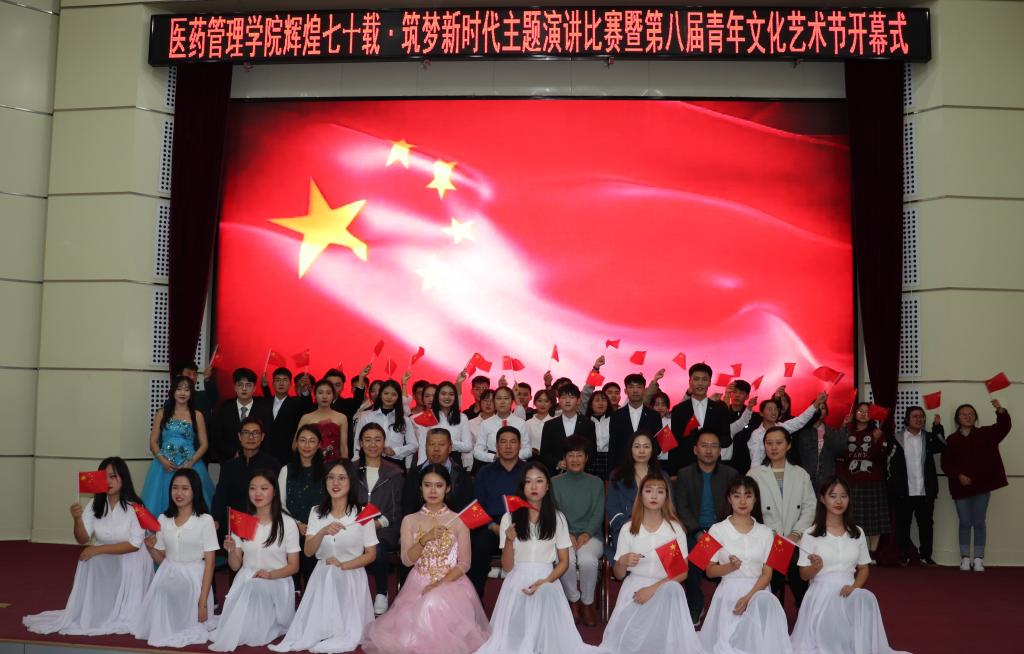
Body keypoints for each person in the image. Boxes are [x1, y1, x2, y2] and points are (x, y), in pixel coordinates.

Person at [361, 465, 491, 654]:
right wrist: (424, 539)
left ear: (447, 488)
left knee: (432, 603)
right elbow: (406, 560)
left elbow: (464, 563)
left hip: (450, 582)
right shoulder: (410, 520)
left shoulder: (458, 520)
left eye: (439, 485)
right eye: (427, 485)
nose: (433, 491)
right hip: (418, 582)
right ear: (420, 488)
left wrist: (439, 584)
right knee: (406, 638)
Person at [475, 462, 596, 654]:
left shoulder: (557, 517)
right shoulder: (509, 518)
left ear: (547, 486)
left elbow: (564, 561)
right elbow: (507, 567)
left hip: (547, 579)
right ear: (522, 486)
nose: (533, 486)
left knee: (548, 623)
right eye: (528, 481)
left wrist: (546, 581)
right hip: (517, 579)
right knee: (510, 644)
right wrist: (509, 540)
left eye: (539, 481)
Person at [24, 457, 153, 635]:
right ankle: (97, 607)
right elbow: (82, 539)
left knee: (93, 553)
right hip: (107, 554)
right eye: (104, 477)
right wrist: (77, 519)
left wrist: (97, 549)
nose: (108, 481)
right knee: (88, 558)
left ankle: (120, 607)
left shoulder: (135, 506)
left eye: (113, 476)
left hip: (130, 556)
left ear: (123, 478)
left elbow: (134, 545)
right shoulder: (95, 504)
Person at [792, 476, 910, 654]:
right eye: (833, 496)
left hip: (849, 592)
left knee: (866, 602)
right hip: (821, 596)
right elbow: (803, 575)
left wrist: (855, 588)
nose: (839, 501)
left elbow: (863, 568)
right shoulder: (810, 534)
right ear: (822, 499)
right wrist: (815, 567)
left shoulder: (857, 532)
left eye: (844, 496)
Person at [270, 459, 377, 654]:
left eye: (342, 478)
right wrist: (322, 532)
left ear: (351, 482)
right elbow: (309, 551)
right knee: (310, 632)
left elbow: (370, 555)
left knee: (348, 633)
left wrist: (343, 565)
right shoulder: (316, 512)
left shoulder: (363, 514)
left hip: (351, 577)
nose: (335, 483)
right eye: (331, 478)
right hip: (323, 576)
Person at [602, 474, 702, 654]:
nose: (654, 496)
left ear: (666, 497)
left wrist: (652, 589)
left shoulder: (674, 529)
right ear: (641, 496)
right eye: (649, 491)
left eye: (660, 492)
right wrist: (622, 562)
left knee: (674, 588)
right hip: (635, 588)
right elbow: (618, 575)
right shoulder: (628, 528)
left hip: (663, 588)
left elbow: (681, 573)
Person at [209, 469, 300, 651]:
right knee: (251, 587)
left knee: (256, 589)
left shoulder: (287, 523)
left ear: (274, 491)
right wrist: (232, 550)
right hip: (247, 579)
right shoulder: (242, 521)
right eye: (252, 488)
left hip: (277, 579)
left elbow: (294, 566)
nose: (257, 493)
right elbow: (235, 565)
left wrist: (270, 575)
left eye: (264, 488)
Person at [699, 476, 792, 654]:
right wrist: (730, 567)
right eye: (737, 496)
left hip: (759, 593)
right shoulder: (715, 529)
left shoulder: (767, 532)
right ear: (729, 498)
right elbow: (709, 572)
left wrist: (749, 598)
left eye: (748, 496)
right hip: (728, 593)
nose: (742, 501)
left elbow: (767, 574)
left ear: (755, 499)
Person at [133, 469, 218, 647]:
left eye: (185, 488)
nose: (179, 493)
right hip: (168, 572)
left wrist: (202, 602)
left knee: (167, 594)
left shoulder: (205, 520)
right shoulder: (163, 519)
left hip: (194, 577)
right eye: (175, 488)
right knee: (162, 591)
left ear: (195, 491)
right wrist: (151, 548)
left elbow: (210, 564)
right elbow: (161, 559)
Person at [674, 429, 739, 625]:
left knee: (732, 555)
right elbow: (682, 508)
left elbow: (735, 506)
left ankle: (727, 604)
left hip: (724, 531)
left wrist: (720, 532)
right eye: (704, 446)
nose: (709, 451)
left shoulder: (731, 474)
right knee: (691, 558)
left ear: (720, 451)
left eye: (713, 446)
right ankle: (695, 605)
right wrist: (697, 532)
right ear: (695, 450)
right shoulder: (684, 474)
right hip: (695, 531)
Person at [748, 426, 817, 608]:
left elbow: (810, 507)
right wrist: (769, 534)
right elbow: (750, 510)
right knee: (773, 573)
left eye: (779, 443)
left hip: (797, 538)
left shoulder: (801, 474)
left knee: (799, 570)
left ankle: (805, 612)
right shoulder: (754, 474)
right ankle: (768, 611)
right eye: (769, 443)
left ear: (788, 445)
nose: (774, 447)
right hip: (768, 539)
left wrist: (795, 533)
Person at [941, 399, 1011, 572]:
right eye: (964, 414)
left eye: (971, 414)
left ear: (975, 417)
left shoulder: (986, 434)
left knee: (979, 522)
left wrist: (1000, 410)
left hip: (982, 487)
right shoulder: (952, 439)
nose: (968, 417)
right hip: (960, 488)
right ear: (957, 418)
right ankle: (965, 558)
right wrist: (958, 475)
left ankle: (979, 558)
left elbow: (1004, 427)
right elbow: (946, 464)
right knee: (964, 522)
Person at [140, 375, 215, 517]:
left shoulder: (197, 415)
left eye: (187, 389)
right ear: (173, 391)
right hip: (163, 466)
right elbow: (153, 442)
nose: (182, 393)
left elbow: (204, 444)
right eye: (179, 389)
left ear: (191, 393)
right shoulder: (162, 413)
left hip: (190, 465)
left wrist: (191, 462)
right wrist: (162, 460)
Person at [552, 436, 606, 625]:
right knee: (564, 560)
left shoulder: (596, 483)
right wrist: (567, 535)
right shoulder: (554, 482)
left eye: (579, 455)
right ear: (564, 459)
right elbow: (554, 513)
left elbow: (598, 512)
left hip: (591, 536)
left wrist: (586, 533)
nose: (575, 459)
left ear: (586, 458)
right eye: (570, 455)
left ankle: (587, 603)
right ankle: (573, 599)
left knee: (588, 560)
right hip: (563, 535)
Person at [468, 426, 527, 598]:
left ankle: (527, 599)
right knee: (477, 546)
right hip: (492, 527)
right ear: (496, 446)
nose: (508, 446)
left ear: (520, 445)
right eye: (503, 442)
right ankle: (475, 600)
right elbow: (476, 507)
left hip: (522, 527)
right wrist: (493, 526)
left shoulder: (529, 471)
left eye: (513, 442)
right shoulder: (485, 473)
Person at [888, 406, 946, 567]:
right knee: (902, 525)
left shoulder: (929, 438)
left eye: (921, 416)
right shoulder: (896, 438)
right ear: (907, 419)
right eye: (915, 416)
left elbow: (942, 445)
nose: (919, 419)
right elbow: (888, 461)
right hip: (903, 491)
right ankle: (903, 555)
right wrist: (894, 485)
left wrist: (938, 428)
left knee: (926, 525)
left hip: (925, 491)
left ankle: (926, 556)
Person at [667, 363, 751, 474]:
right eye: (696, 379)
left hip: (714, 467)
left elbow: (726, 438)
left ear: (710, 382)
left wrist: (712, 443)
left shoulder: (720, 409)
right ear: (690, 381)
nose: (700, 383)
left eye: (704, 379)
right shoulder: (679, 410)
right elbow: (674, 443)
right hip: (686, 467)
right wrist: (673, 472)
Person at [356, 422, 404, 615]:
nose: (372, 444)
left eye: (377, 440)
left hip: (384, 527)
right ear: (360, 443)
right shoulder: (351, 470)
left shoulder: (394, 473)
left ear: (384, 442)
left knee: (377, 545)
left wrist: (376, 523)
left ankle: (382, 592)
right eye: (367, 440)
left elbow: (397, 508)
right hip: (354, 525)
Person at [211, 417, 280, 537]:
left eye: (255, 433)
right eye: (246, 433)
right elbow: (220, 495)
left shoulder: (272, 465)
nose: (251, 437)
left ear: (262, 437)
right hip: (233, 524)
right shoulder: (229, 466)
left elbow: (277, 497)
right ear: (239, 436)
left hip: (263, 524)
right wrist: (215, 518)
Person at [837, 403, 889, 556]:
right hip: (851, 482)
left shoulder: (877, 432)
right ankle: (854, 552)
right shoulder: (846, 431)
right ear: (854, 413)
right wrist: (842, 428)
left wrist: (876, 441)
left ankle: (872, 553)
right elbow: (839, 453)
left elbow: (881, 457)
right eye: (860, 411)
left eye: (867, 412)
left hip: (873, 481)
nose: (864, 414)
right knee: (852, 519)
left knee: (875, 519)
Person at [607, 431, 670, 555]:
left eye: (646, 447)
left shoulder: (662, 476)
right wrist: (635, 525)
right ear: (630, 450)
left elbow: (669, 508)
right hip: (626, 531)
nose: (641, 451)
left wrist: (650, 527)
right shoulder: (617, 475)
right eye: (637, 446)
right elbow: (612, 510)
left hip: (656, 531)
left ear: (652, 450)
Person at [278, 424, 325, 585]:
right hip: (291, 527)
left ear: (319, 445)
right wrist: (297, 524)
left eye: (312, 441)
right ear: (296, 443)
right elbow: (280, 504)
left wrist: (313, 527)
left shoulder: (327, 471)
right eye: (303, 440)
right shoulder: (286, 470)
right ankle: (294, 589)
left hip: (318, 529)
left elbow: (329, 503)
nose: (307, 445)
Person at [742, 392, 826, 474]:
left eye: (776, 409)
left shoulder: (782, 427)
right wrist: (755, 478)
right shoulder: (756, 434)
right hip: (765, 473)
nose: (774, 412)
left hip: (784, 471)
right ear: (761, 413)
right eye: (770, 409)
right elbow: (755, 460)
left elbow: (801, 420)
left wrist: (816, 403)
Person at [403, 427, 475, 516]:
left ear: (450, 448)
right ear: (425, 447)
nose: (436, 449)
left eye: (441, 444)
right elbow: (407, 508)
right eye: (432, 444)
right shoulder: (414, 474)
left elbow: (466, 510)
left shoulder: (462, 476)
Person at [208, 368, 272, 462]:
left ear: (254, 388)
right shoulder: (224, 409)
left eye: (248, 385)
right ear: (235, 387)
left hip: (258, 461)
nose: (244, 388)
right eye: (240, 385)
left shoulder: (264, 411)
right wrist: (233, 453)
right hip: (230, 460)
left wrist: (254, 455)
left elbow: (268, 438)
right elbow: (217, 438)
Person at [608, 373, 663, 472]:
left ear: (644, 390)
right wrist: (611, 472)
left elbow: (658, 444)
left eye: (639, 387)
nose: (635, 390)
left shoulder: (654, 416)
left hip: (648, 467)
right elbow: (613, 445)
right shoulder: (616, 415)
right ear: (625, 391)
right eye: (631, 387)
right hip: (622, 468)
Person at [260, 367, 315, 465]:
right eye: (278, 380)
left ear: (290, 384)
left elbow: (307, 406)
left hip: (287, 456)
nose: (281, 383)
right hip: (264, 454)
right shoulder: (264, 403)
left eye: (285, 380)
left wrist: (305, 391)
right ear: (273, 383)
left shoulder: (296, 403)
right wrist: (264, 387)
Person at [354, 379, 414, 467]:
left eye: (393, 394)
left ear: (398, 397)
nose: (389, 397)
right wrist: (356, 459)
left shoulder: (404, 420)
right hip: (369, 462)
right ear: (380, 395)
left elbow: (413, 444)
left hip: (395, 464)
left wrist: (395, 451)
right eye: (386, 393)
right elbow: (357, 441)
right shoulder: (367, 417)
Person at [540, 383, 597, 473]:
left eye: (571, 397)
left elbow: (592, 452)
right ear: (559, 400)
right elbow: (544, 453)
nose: (567, 401)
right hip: (557, 474)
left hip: (582, 473)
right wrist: (558, 463)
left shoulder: (588, 424)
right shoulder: (549, 425)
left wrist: (579, 464)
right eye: (563, 397)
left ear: (578, 400)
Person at [414, 381, 473, 465]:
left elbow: (468, 446)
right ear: (437, 396)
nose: (447, 397)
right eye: (443, 394)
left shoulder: (462, 418)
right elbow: (423, 445)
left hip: (453, 461)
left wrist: (448, 443)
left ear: (455, 397)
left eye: (451, 394)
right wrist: (422, 466)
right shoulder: (428, 416)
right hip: (431, 461)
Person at [793, 404, 849, 491]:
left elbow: (840, 449)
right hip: (805, 477)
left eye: (822, 408)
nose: (819, 411)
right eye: (817, 408)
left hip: (827, 476)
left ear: (826, 412)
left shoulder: (832, 432)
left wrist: (844, 427)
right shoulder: (802, 433)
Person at [474, 386, 531, 467]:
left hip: (516, 466)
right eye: (499, 398)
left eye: (506, 398)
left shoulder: (521, 423)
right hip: (493, 465)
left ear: (512, 401)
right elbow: (477, 451)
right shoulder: (485, 424)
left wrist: (511, 456)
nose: (502, 402)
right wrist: (493, 457)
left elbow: (528, 450)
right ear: (494, 401)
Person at [295, 380, 349, 463]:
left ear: (333, 395)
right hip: (310, 463)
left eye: (328, 393)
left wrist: (345, 466)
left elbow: (343, 446)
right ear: (315, 395)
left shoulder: (342, 417)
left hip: (334, 464)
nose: (324, 396)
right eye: (320, 393)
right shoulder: (306, 418)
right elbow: (295, 445)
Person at [466, 389, 496, 470]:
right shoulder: (470, 423)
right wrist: (468, 468)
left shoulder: (501, 423)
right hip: (476, 464)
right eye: (485, 400)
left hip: (496, 463)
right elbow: (468, 450)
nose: (488, 403)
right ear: (480, 402)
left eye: (492, 401)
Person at [586, 389, 613, 478]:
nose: (601, 403)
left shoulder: (613, 420)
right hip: (590, 459)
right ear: (591, 405)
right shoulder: (585, 421)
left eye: (604, 400)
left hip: (609, 458)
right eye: (597, 400)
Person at [525, 388, 554, 456]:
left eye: (546, 401)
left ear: (551, 404)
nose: (542, 404)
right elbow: (524, 445)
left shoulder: (555, 422)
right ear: (534, 403)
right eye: (539, 401)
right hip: (531, 458)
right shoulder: (528, 423)